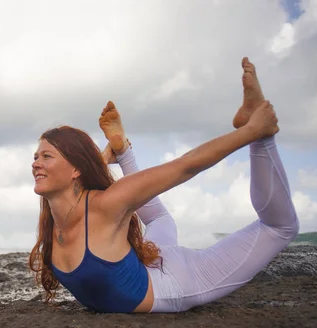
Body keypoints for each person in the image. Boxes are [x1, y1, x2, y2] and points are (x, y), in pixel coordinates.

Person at [28, 57, 299, 313]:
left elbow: (186, 165)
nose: (36, 163)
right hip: (151, 259)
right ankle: (124, 150)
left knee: (279, 227)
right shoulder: (54, 211)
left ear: (75, 169)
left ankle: (262, 136)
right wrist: (109, 155)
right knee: (158, 218)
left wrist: (252, 131)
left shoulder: (106, 205)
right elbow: (78, 174)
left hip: (179, 280)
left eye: (46, 156)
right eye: (36, 157)